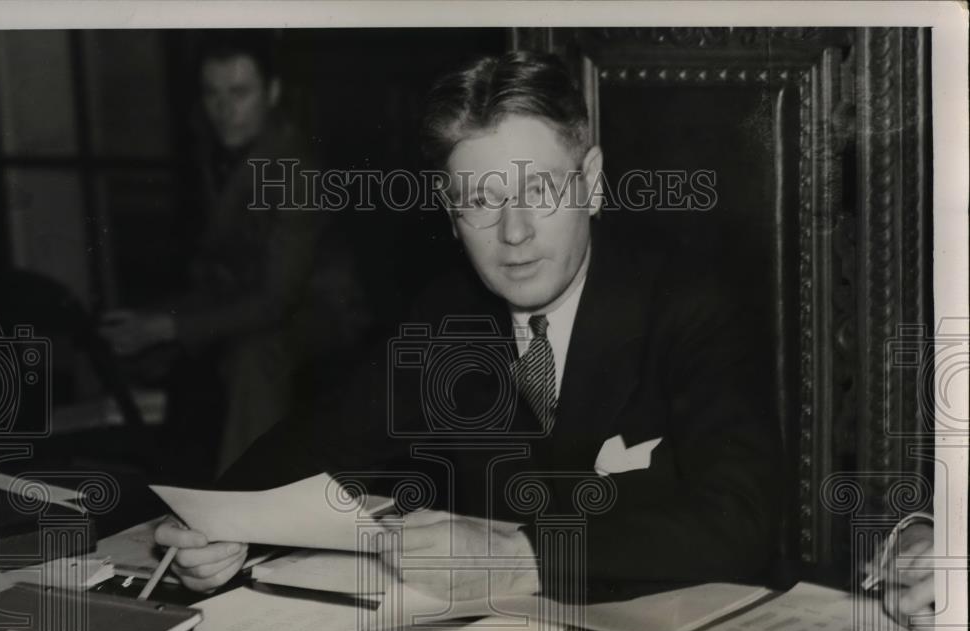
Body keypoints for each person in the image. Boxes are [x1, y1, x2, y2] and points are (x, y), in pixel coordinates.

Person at [156, 51, 786, 602]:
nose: (513, 233)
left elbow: (740, 521)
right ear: (451, 216)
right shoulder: (448, 317)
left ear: (591, 184)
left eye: (538, 191)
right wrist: (217, 523)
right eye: (482, 201)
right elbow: (322, 440)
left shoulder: (691, 304)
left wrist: (522, 559)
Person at [100, 31, 365, 476]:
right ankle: (158, 476)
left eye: (239, 93)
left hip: (318, 309)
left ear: (273, 92)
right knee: (128, 332)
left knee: (253, 352)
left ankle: (247, 492)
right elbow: (221, 264)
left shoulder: (294, 167)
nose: (223, 110)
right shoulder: (217, 147)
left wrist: (169, 326)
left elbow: (275, 301)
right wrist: (162, 320)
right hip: (245, 292)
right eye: (212, 93)